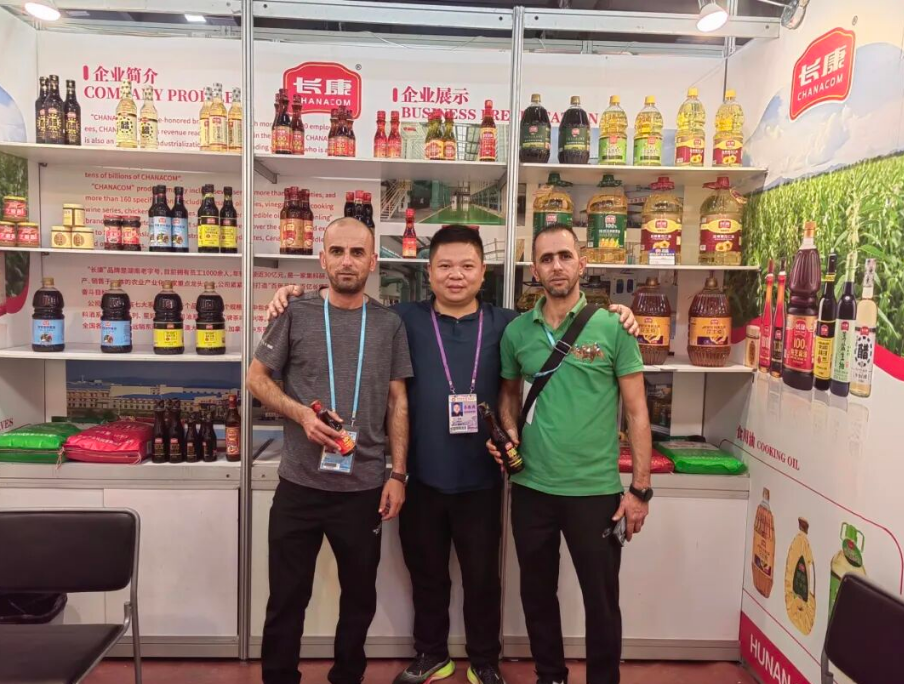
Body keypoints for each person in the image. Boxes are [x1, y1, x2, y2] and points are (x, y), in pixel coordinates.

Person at [266, 225, 639, 684]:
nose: (455, 275)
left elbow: (529, 362)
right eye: (444, 266)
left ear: (483, 272)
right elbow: (348, 303)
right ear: (429, 272)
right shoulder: (402, 318)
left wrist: (619, 313)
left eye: (467, 266)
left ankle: (484, 660)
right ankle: (431, 653)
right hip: (421, 476)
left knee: (482, 577)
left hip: (482, 478)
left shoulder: (508, 324)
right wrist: (291, 294)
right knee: (426, 574)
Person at [247, 216, 413, 684]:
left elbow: (398, 401)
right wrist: (301, 414)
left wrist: (397, 474)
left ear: (373, 262)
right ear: (322, 258)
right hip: (299, 485)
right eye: (337, 251)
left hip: (363, 489)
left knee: (359, 598)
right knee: (286, 598)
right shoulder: (294, 312)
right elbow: (257, 379)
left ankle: (347, 677)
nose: (346, 261)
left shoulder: (389, 324)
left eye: (357, 253)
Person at [488, 224, 653, 684]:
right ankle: (550, 675)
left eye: (564, 256)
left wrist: (640, 491)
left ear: (582, 263)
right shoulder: (517, 332)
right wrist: (508, 432)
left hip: (595, 492)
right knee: (537, 594)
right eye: (546, 259)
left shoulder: (612, 327)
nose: (556, 266)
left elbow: (637, 412)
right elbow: (508, 395)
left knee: (601, 600)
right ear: (534, 269)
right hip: (530, 488)